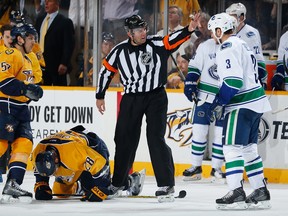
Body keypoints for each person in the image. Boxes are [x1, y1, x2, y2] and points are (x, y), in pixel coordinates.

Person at [95, 14, 199, 203]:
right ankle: (118, 182)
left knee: (155, 138)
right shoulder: (119, 51)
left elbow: (172, 40)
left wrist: (189, 29)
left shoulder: (156, 44)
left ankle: (166, 184)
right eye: (138, 31)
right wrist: (100, 95)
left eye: (144, 29)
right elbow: (105, 71)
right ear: (129, 33)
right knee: (124, 138)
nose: (143, 33)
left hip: (156, 96)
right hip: (131, 98)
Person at [207, 13, 271, 209]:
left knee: (231, 148)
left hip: (241, 104)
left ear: (219, 30)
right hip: (256, 102)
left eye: (212, 31)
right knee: (248, 149)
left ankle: (236, 192)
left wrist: (219, 102)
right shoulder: (242, 43)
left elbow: (234, 81)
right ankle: (261, 191)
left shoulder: (226, 47)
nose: (212, 35)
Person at [31, 125, 145, 202]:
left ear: (56, 160)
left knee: (108, 192)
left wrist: (101, 189)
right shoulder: (38, 151)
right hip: (77, 153)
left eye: (55, 170)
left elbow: (100, 165)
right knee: (61, 192)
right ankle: (81, 186)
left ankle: (131, 180)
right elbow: (41, 172)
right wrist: (41, 184)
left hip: (96, 150)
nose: (56, 173)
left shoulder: (73, 152)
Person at [0, 23, 43, 203]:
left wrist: (33, 90)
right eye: (31, 38)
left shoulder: (28, 58)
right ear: (20, 39)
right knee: (1, 143)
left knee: (24, 144)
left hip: (21, 108)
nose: (34, 41)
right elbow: (3, 81)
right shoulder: (11, 54)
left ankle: (13, 183)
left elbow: (33, 81)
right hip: (5, 104)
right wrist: (26, 89)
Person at [182, 20, 225, 182]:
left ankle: (216, 168)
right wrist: (191, 83)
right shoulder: (205, 46)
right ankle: (196, 166)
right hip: (205, 96)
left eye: (216, 30)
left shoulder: (234, 46)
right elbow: (194, 67)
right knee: (199, 131)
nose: (212, 34)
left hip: (224, 97)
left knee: (220, 134)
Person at [226, 2, 268, 90]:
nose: (229, 19)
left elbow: (258, 59)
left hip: (250, 82)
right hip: (235, 79)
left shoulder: (251, 34)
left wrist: (260, 80)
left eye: (232, 16)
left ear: (241, 17)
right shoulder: (228, 32)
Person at [35, 0, 75, 86]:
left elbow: (69, 45)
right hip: (39, 64)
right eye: (45, 1)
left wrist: (64, 63)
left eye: (49, 1)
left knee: (60, 91)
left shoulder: (65, 22)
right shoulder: (39, 20)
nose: (46, 3)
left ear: (57, 3)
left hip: (57, 66)